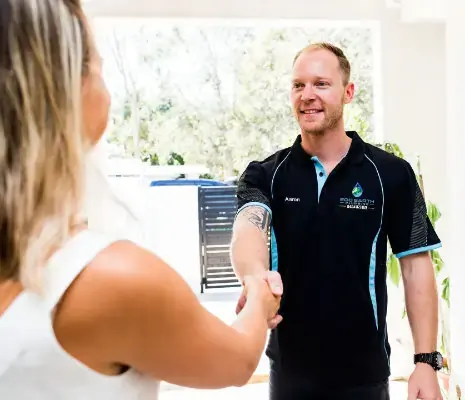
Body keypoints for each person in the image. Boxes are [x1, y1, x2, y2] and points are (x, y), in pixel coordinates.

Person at [0, 1, 280, 399]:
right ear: (66, 85)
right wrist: (260, 297)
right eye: (98, 65)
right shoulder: (111, 278)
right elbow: (235, 362)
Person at [231, 42, 444, 400]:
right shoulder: (265, 174)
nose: (307, 95)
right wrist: (254, 277)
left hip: (365, 375)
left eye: (320, 84)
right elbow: (249, 226)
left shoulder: (391, 174)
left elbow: (415, 265)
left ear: (348, 92)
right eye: (298, 85)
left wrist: (425, 361)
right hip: (290, 374)